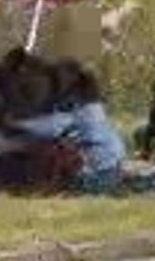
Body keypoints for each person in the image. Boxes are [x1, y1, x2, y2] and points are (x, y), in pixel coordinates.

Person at [54, 59, 127, 192]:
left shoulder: (82, 110)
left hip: (97, 175)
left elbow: (53, 130)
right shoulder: (91, 105)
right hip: (112, 169)